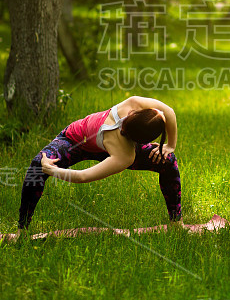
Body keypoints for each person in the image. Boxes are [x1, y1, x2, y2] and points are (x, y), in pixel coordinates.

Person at [17, 96, 181, 231]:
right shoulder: (134, 103)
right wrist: (171, 145)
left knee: (167, 161)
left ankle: (176, 222)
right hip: (74, 141)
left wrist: (50, 169)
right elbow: (169, 112)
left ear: (138, 141)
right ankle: (22, 229)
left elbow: (82, 177)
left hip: (112, 150)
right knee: (37, 165)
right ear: (134, 113)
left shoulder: (125, 155)